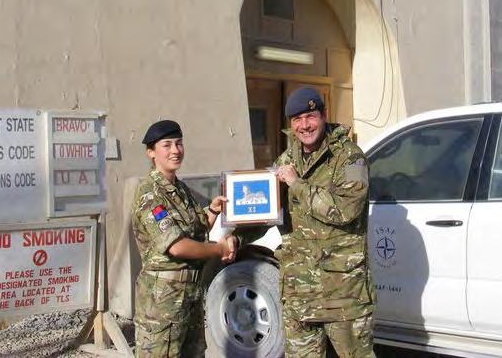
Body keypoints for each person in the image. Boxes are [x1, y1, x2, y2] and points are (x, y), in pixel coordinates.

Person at [236, 86, 375, 357]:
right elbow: (269, 210)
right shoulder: (287, 160)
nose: (305, 125)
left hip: (343, 294)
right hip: (299, 292)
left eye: (310, 116)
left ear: (324, 115)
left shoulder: (351, 159)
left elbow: (346, 210)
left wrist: (296, 184)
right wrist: (236, 238)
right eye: (297, 119)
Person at [131, 119, 237, 357]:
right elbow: (177, 246)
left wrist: (213, 211)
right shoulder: (150, 194)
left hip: (189, 296)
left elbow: (197, 229)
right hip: (162, 303)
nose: (175, 150)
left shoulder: (180, 189)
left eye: (179, 143)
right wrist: (219, 250)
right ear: (151, 152)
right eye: (167, 145)